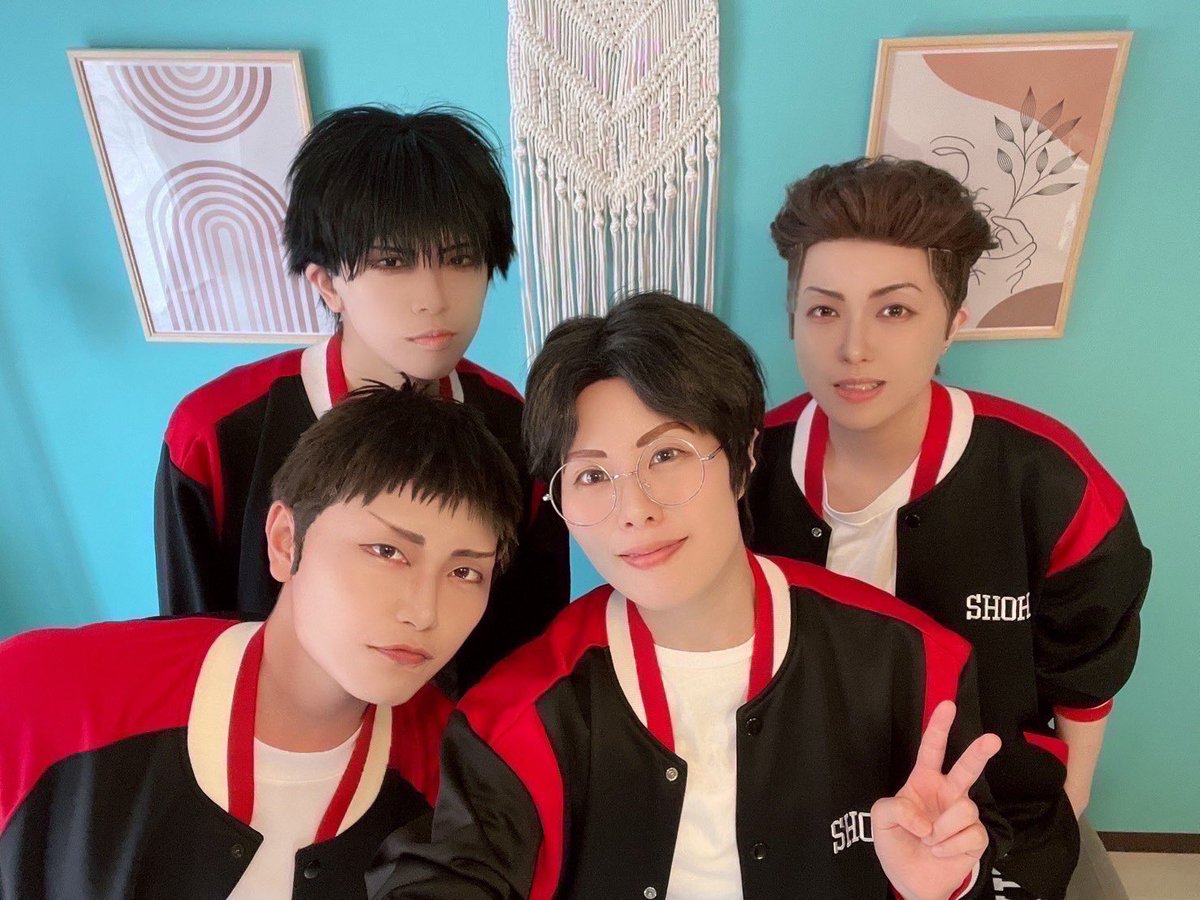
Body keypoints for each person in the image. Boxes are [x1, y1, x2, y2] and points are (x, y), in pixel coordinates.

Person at [371, 292, 1008, 900]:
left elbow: (974, 863)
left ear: (744, 458)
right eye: (591, 475)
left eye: (667, 455)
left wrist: (939, 888)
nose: (634, 510)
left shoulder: (910, 663)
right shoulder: (514, 716)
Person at [749, 157, 1151, 900]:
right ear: (792, 318)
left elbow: (1086, 671)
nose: (854, 347)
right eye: (824, 310)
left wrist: (1065, 808)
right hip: (797, 804)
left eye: (895, 311)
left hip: (991, 812)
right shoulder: (740, 472)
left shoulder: (1052, 483)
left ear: (951, 326)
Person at [0, 385, 523, 898]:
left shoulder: (458, 786)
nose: (424, 612)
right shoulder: (39, 695)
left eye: (465, 573)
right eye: (387, 551)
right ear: (285, 541)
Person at [155, 104, 569, 693]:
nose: (433, 297)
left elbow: (532, 645)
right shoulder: (217, 434)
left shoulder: (518, 426)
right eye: (392, 261)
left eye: (459, 258)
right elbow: (195, 645)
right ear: (327, 281)